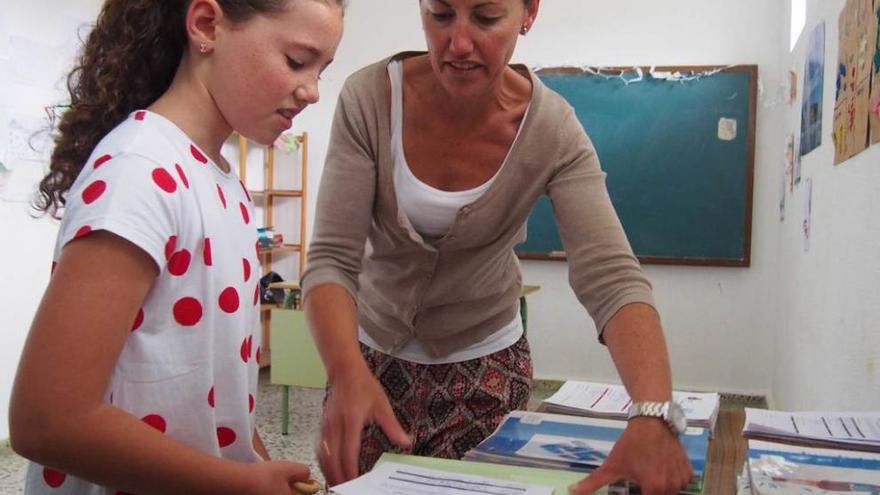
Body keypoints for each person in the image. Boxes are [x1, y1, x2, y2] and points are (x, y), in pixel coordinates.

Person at [302, 0, 694, 493]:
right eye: (440, 15)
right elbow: (331, 261)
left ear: (528, 13)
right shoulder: (370, 99)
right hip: (368, 366)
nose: (459, 43)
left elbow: (610, 275)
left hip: (485, 372)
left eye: (486, 18)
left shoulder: (552, 129)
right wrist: (344, 371)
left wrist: (653, 412)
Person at [8, 1, 343, 494]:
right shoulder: (138, 173)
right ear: (207, 25)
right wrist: (234, 484)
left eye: (322, 69)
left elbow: (217, 402)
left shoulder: (224, 183)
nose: (312, 90)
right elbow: (47, 420)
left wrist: (255, 468)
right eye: (296, 61)